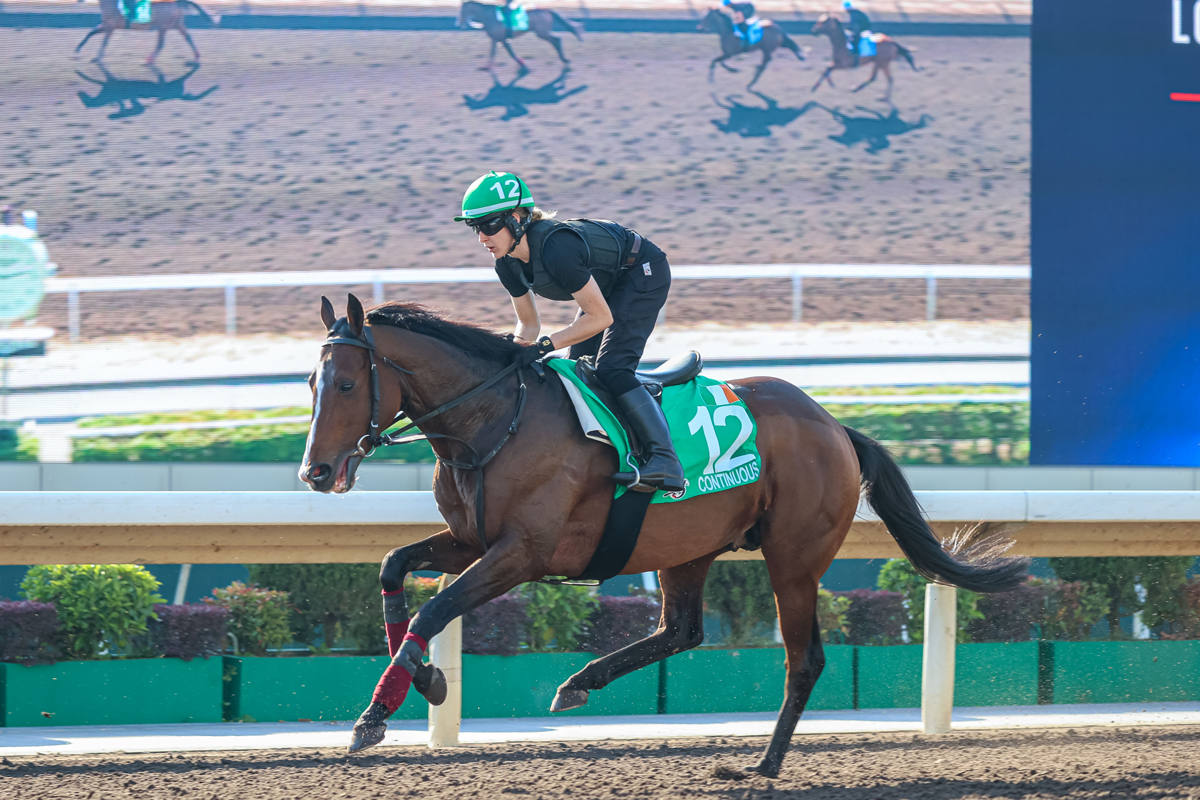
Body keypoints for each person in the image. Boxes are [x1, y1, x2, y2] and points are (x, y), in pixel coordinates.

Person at [455, 171, 685, 493]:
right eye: (476, 228)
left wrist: (545, 346)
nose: (482, 237)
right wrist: (517, 352)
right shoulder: (506, 263)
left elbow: (600, 317)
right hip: (610, 283)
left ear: (519, 217)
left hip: (642, 271)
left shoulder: (555, 249)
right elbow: (529, 324)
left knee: (612, 368)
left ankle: (666, 461)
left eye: (490, 225)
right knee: (579, 372)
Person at [843, 0, 872, 67]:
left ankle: (856, 60)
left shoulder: (853, 14)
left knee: (854, 41)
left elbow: (855, 26)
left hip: (863, 30)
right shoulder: (854, 12)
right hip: (863, 28)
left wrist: (851, 31)